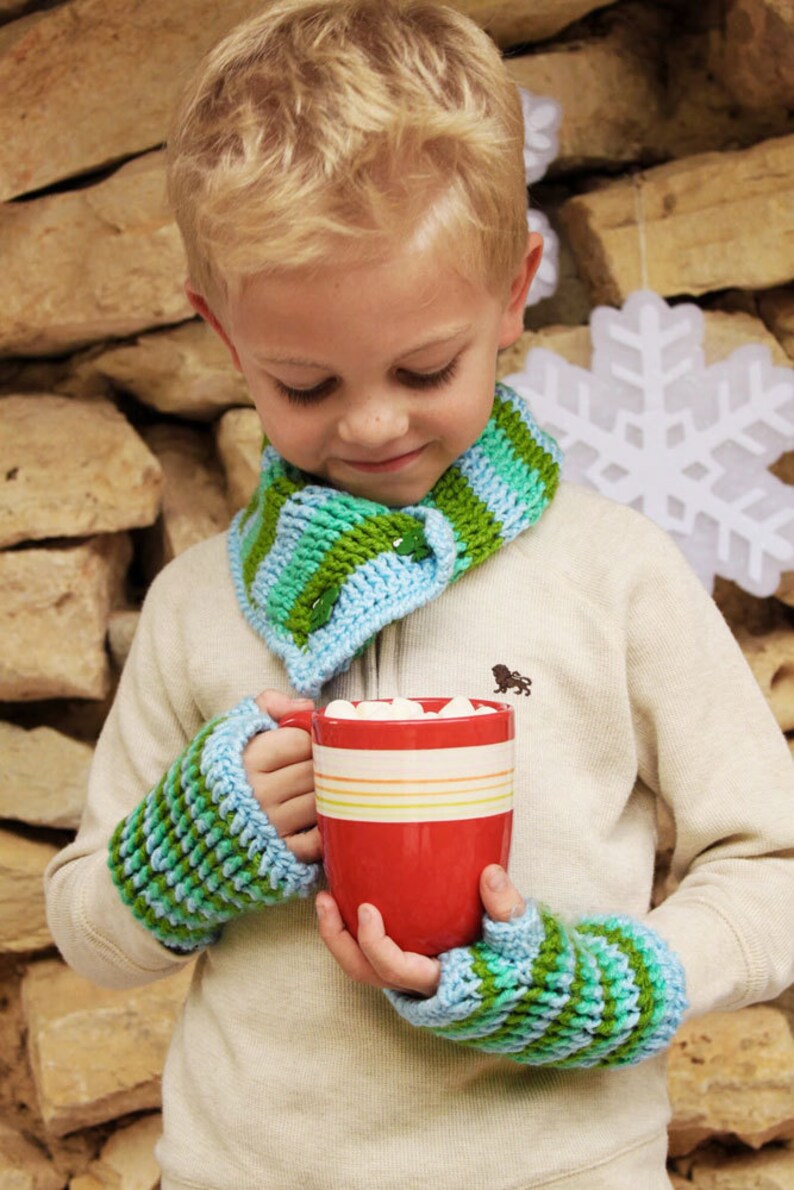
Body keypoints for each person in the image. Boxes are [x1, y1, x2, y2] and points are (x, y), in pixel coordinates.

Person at [44, 2, 794, 1187]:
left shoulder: (614, 574)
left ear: (513, 289)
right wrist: (180, 851)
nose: (374, 420)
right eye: (306, 381)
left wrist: (616, 979)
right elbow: (89, 928)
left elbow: (772, 868)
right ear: (223, 336)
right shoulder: (198, 608)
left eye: (424, 367)